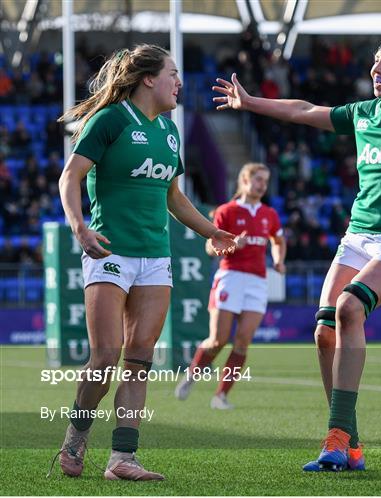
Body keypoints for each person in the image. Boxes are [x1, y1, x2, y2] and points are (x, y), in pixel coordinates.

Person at [213, 34, 381, 471]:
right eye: (374, 61)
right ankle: (349, 441)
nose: (376, 69)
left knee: (350, 307)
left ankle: (335, 437)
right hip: (358, 236)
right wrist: (251, 102)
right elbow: (303, 110)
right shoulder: (364, 113)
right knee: (324, 330)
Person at [50, 44, 236, 481]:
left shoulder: (170, 131)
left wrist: (211, 230)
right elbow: (69, 177)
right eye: (173, 73)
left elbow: (173, 196)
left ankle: (122, 460)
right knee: (105, 358)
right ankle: (75, 438)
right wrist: (79, 227)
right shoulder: (110, 119)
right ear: (149, 79)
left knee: (139, 358)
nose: (179, 82)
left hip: (156, 257)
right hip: (110, 251)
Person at [175, 162, 286, 409]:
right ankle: (192, 373)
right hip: (231, 277)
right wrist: (234, 244)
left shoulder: (269, 214)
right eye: (258, 180)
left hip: (257, 281)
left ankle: (220, 396)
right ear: (244, 181)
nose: (262, 185)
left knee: (243, 341)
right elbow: (209, 247)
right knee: (218, 339)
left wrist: (278, 260)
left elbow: (278, 240)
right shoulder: (227, 211)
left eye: (265, 181)